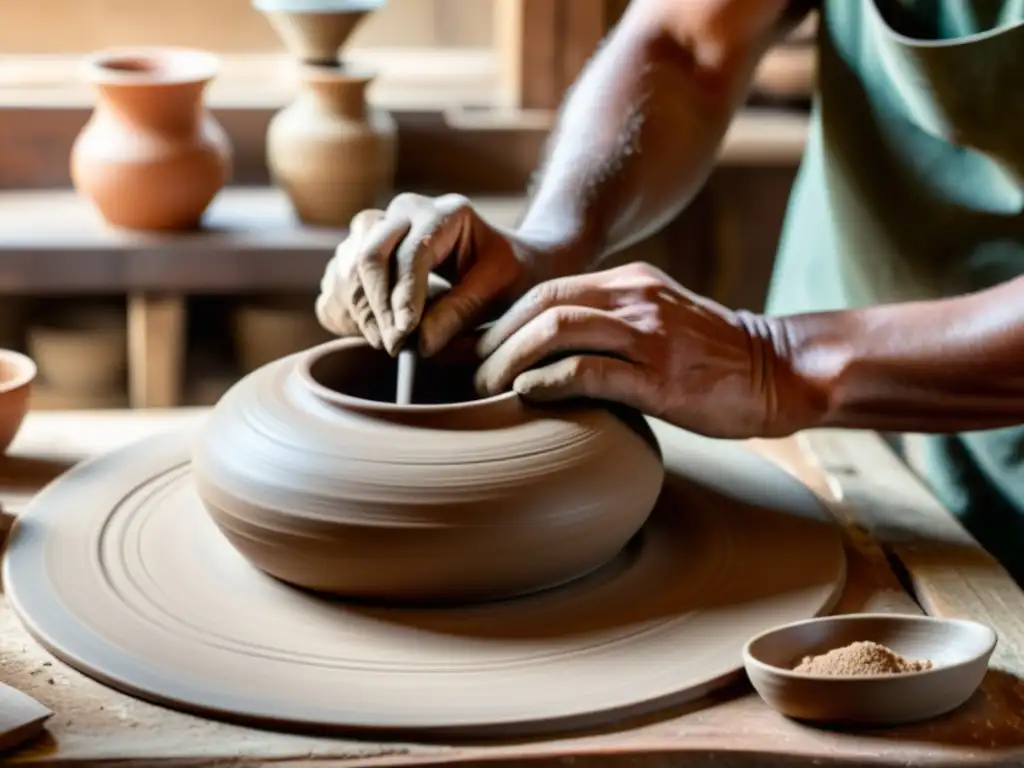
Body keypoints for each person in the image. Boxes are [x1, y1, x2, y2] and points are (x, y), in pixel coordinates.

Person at [315, 0, 1024, 581]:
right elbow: (685, 42)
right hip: (833, 432)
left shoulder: (776, 366)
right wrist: (551, 240)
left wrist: (773, 361)